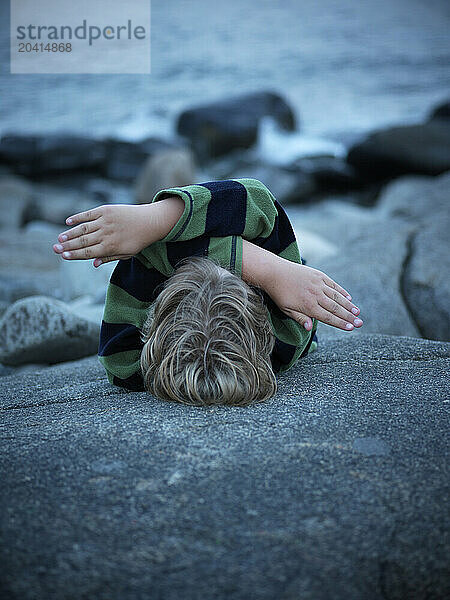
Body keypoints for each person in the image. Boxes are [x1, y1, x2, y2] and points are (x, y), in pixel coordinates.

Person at [53, 178, 363, 406]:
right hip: (278, 265)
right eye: (233, 276)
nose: (214, 270)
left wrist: (154, 221)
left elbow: (151, 251)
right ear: (262, 331)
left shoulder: (125, 357)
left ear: (151, 332)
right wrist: (269, 269)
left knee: (203, 228)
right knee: (238, 220)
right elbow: (254, 199)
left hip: (225, 274)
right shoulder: (289, 332)